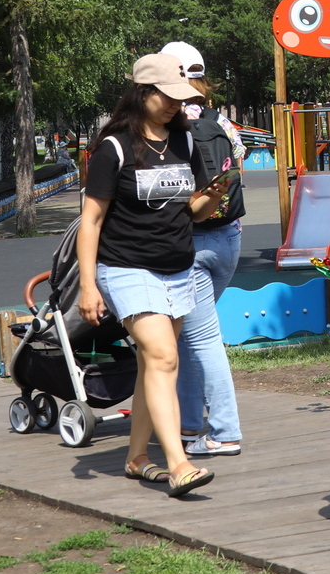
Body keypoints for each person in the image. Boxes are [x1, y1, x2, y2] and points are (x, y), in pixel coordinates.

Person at [76, 53, 232, 498]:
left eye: (181, 99)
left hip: (178, 266)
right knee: (164, 356)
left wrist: (214, 195)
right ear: (142, 92)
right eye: (167, 97)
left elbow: (193, 211)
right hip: (126, 267)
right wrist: (88, 285)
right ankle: (179, 465)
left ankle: (136, 458)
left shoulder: (184, 140)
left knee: (153, 364)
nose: (175, 105)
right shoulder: (114, 148)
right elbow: (91, 220)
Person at [161, 41, 246, 459]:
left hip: (190, 241)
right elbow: (239, 159)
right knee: (187, 337)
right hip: (229, 237)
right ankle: (189, 423)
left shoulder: (168, 125)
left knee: (201, 339)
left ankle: (225, 432)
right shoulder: (221, 121)